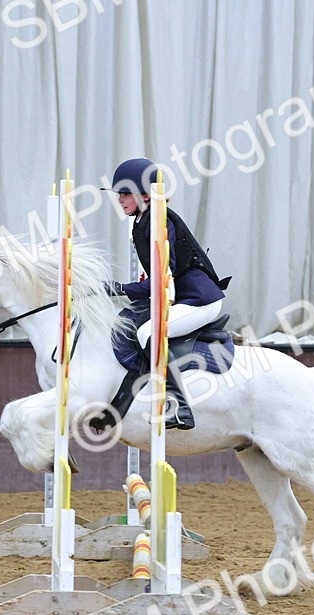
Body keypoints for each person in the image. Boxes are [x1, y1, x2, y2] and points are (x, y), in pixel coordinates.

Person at [104, 158, 230, 429]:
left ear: (146, 195)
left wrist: (119, 289)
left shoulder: (160, 221)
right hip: (184, 296)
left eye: (125, 194)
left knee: (148, 333)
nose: (120, 200)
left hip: (200, 300)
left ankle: (179, 407)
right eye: (119, 194)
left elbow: (161, 280)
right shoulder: (142, 220)